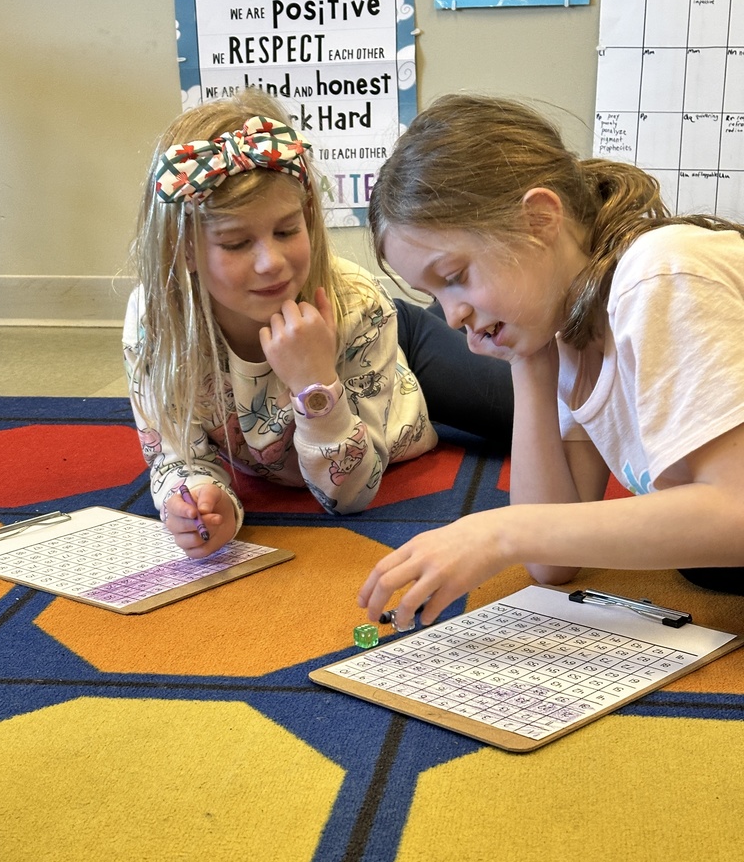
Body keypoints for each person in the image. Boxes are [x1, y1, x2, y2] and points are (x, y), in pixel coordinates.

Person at [358, 92, 744, 629]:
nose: (452, 315)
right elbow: (552, 562)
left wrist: (501, 533)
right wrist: (530, 366)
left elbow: (736, 511)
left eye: (454, 277)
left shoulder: (658, 275)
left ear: (540, 219)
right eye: (435, 295)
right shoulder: (571, 323)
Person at [124, 91, 513, 558]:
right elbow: (177, 458)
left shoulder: (358, 302)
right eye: (237, 243)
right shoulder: (156, 320)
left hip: (386, 343)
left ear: (308, 217)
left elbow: (350, 495)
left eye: (287, 230)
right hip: (366, 344)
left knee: (544, 407)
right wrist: (199, 499)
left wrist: (314, 382)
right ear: (184, 247)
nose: (271, 262)